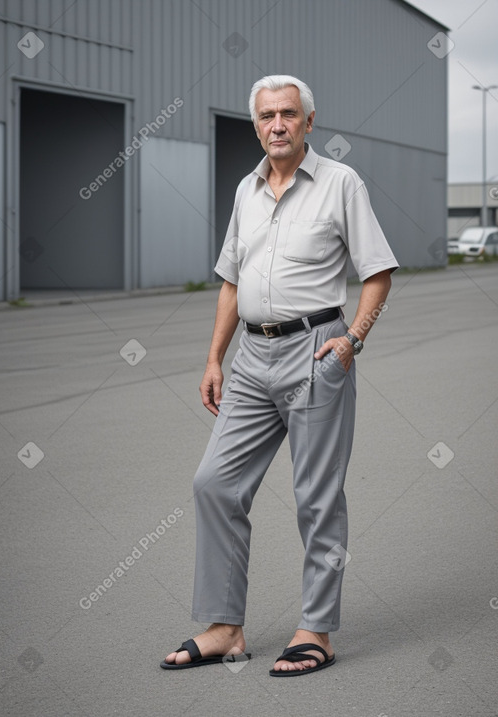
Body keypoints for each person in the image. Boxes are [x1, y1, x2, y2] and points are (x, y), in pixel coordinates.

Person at [161, 74, 398, 676]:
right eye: (267, 116)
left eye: (288, 114)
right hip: (250, 357)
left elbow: (377, 273)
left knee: (316, 498)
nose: (278, 125)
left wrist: (352, 339)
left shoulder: (341, 183)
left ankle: (316, 630)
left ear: (309, 122)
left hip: (317, 351)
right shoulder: (246, 190)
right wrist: (215, 357)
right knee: (214, 483)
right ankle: (223, 627)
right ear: (256, 124)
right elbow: (231, 283)